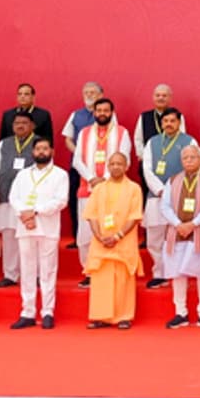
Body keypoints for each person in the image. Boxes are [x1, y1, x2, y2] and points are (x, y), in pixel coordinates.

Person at [6, 137, 69, 330]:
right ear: (32, 153)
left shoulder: (60, 175)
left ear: (52, 151)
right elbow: (13, 197)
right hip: (25, 228)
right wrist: (24, 214)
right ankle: (28, 312)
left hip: (47, 228)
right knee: (27, 271)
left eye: (45, 148)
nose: (41, 152)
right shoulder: (23, 175)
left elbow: (60, 201)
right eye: (38, 149)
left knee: (48, 271)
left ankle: (48, 311)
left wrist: (35, 211)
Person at [160, 144, 200, 329]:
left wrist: (192, 224)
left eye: (192, 157)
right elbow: (165, 206)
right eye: (185, 158)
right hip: (177, 233)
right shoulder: (172, 180)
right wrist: (179, 225)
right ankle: (181, 312)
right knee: (177, 273)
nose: (188, 161)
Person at [72, 98, 131, 285]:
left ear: (112, 113)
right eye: (99, 111)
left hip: (113, 191)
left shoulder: (122, 133)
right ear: (94, 113)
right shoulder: (84, 133)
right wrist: (91, 179)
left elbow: (124, 158)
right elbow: (77, 160)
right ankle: (89, 272)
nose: (102, 114)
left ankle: (108, 270)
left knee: (110, 229)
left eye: (106, 110)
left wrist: (104, 179)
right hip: (87, 190)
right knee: (85, 234)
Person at [83, 152, 144, 329]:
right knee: (102, 279)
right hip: (101, 242)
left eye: (120, 164)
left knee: (123, 280)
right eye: (113, 164)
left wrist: (117, 236)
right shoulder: (99, 189)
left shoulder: (134, 189)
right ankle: (100, 317)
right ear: (108, 167)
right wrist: (99, 236)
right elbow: (91, 215)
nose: (116, 167)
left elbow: (134, 217)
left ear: (126, 167)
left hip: (123, 242)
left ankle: (124, 317)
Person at [141, 108, 195, 289]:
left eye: (173, 121)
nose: (169, 124)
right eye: (166, 121)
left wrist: (175, 190)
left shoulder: (189, 142)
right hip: (156, 197)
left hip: (179, 197)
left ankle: (178, 273)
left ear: (179, 123)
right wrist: (160, 190)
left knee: (178, 237)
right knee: (154, 238)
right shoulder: (152, 142)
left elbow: (192, 167)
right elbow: (147, 169)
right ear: (161, 124)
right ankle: (159, 273)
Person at [0, 113, 38, 288]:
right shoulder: (5, 144)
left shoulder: (39, 143)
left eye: (24, 122)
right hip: (7, 196)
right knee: (9, 236)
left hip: (30, 201)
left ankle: (32, 275)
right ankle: (10, 274)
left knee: (30, 238)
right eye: (17, 123)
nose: (20, 126)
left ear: (32, 125)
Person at [61, 81, 103, 250]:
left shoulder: (105, 113)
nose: (89, 95)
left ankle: (98, 235)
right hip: (78, 166)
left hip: (100, 168)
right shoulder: (75, 115)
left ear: (101, 95)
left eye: (93, 92)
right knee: (75, 201)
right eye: (86, 92)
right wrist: (80, 152)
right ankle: (77, 236)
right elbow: (67, 139)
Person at [132, 84, 184, 206]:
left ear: (170, 98)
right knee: (149, 196)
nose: (161, 98)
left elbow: (182, 139)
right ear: (153, 97)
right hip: (149, 165)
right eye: (158, 95)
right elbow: (138, 139)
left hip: (172, 165)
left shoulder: (178, 116)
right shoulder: (144, 116)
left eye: (164, 95)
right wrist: (143, 155)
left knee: (174, 196)